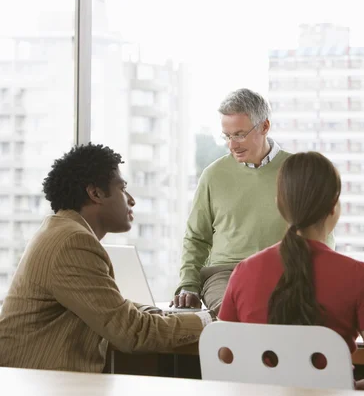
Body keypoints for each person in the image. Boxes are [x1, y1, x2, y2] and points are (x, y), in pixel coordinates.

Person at [0, 144, 214, 372]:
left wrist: (162, 314)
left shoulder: (61, 231)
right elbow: (133, 333)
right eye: (122, 189)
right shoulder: (73, 243)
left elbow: (113, 308)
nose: (131, 200)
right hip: (36, 386)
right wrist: (209, 321)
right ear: (95, 193)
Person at [218, 152, 364, 392]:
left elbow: (223, 361)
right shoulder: (359, 277)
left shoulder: (244, 271)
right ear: (334, 207)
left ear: (279, 204)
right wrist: (342, 389)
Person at [172, 88, 301, 313]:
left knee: (283, 313)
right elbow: (196, 238)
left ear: (264, 127)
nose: (232, 145)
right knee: (235, 313)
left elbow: (320, 234)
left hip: (284, 274)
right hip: (225, 274)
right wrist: (188, 284)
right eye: (227, 136)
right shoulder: (213, 175)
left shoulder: (298, 171)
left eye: (240, 134)